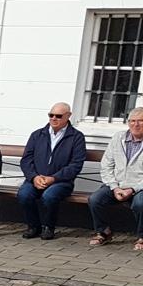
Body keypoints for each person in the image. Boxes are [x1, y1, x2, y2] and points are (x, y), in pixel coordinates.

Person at [16, 102, 86, 240]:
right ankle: (33, 226)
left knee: (49, 196)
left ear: (68, 116)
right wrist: (34, 177)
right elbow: (26, 159)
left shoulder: (76, 137)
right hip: (35, 179)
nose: (54, 118)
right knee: (24, 194)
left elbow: (76, 165)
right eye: (51, 115)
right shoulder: (37, 135)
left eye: (58, 116)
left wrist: (53, 178)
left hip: (61, 182)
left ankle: (48, 227)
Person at [87, 107, 143, 250]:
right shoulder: (118, 138)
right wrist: (115, 187)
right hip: (117, 185)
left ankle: (142, 237)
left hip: (139, 187)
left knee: (140, 204)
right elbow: (106, 165)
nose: (136, 125)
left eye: (141, 121)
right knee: (95, 199)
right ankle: (103, 232)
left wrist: (132, 189)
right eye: (132, 121)